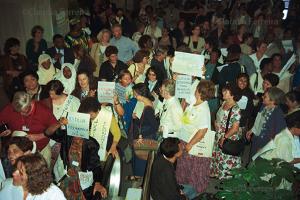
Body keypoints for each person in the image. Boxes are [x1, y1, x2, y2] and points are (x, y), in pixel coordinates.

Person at [0, 91, 60, 166]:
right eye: (19, 111)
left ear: (31, 102)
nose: (21, 114)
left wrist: (40, 136)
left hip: (40, 150)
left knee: (41, 175)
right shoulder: (10, 108)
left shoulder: (43, 111)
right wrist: (7, 130)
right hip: (17, 152)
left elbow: (56, 126)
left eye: (25, 111)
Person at [176, 80, 215, 193]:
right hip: (184, 140)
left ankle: (190, 193)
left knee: (192, 171)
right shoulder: (194, 104)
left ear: (199, 92)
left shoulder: (203, 108)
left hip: (192, 145)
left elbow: (203, 130)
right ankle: (183, 191)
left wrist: (190, 144)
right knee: (183, 169)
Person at [211, 83, 242, 179]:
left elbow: (235, 128)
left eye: (226, 91)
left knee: (226, 159)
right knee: (219, 157)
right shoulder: (224, 103)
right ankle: (218, 173)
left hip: (228, 138)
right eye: (223, 90)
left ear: (232, 94)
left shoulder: (236, 109)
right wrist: (215, 124)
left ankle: (227, 180)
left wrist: (224, 137)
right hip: (220, 134)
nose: (223, 92)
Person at [247, 87, 287, 159]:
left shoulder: (278, 114)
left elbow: (278, 135)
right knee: (252, 158)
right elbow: (258, 120)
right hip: (257, 138)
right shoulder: (263, 106)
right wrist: (251, 130)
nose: (262, 97)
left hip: (265, 142)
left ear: (273, 101)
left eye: (265, 97)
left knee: (259, 163)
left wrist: (265, 148)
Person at [130, 83, 159, 176]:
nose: (134, 96)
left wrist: (141, 134)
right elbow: (143, 120)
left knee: (142, 161)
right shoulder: (143, 102)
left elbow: (154, 126)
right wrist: (135, 117)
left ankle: (142, 180)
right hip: (141, 136)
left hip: (145, 138)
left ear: (141, 94)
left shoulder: (148, 108)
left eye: (135, 94)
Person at [0, 136, 35, 200]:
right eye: (9, 152)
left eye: (15, 151)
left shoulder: (35, 171)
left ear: (27, 153)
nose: (10, 155)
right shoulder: (5, 166)